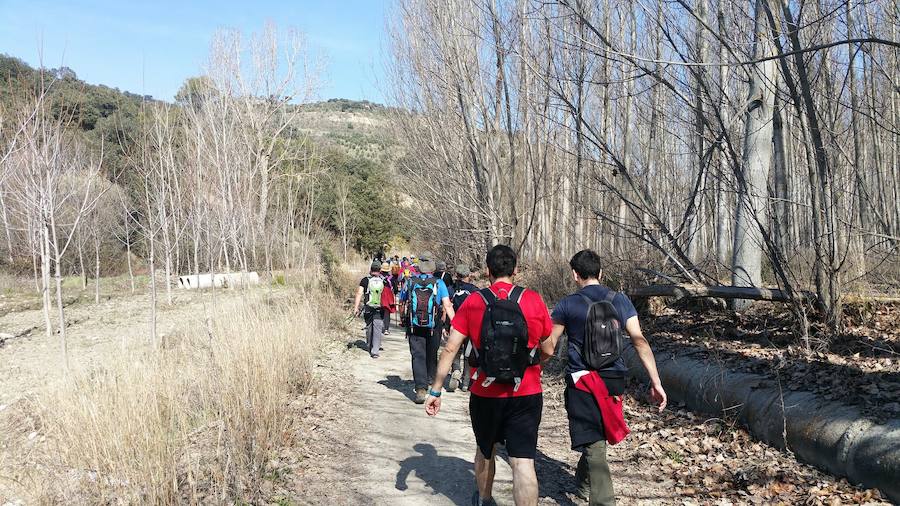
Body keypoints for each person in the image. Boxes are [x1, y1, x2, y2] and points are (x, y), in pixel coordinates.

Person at [425, 245, 554, 506]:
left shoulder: (475, 301)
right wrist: (530, 365)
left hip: (485, 392)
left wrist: (436, 389)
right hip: (526, 392)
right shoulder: (532, 299)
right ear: (516, 270)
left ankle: (484, 499)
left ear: (487, 271)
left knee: (485, 451)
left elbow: (450, 348)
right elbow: (549, 349)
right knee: (523, 461)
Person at [545, 249, 667, 505]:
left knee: (594, 441)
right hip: (614, 378)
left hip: (582, 380)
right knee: (596, 439)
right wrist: (656, 382)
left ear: (574, 274)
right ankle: (582, 485)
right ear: (601, 272)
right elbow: (639, 340)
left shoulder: (567, 304)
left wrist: (533, 365)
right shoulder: (620, 300)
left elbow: (550, 344)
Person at [401, 252, 456, 404]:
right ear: (432, 267)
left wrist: (403, 319)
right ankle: (431, 381)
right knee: (431, 354)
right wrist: (456, 324)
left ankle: (420, 388)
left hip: (414, 325)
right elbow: (447, 305)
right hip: (434, 325)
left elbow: (403, 300)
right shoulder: (439, 283)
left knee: (417, 355)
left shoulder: (410, 282)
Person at [447, 263, 479, 392]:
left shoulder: (451, 289)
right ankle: (466, 383)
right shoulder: (475, 290)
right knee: (468, 353)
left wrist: (446, 326)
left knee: (455, 350)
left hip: (455, 325)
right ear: (468, 275)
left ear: (457, 275)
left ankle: (456, 369)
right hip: (471, 326)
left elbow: (446, 307)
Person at [352, 261, 388, 358]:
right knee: (378, 328)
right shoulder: (384, 281)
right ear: (380, 270)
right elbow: (387, 295)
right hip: (380, 308)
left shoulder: (365, 280)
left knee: (369, 327)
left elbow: (359, 293)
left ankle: (369, 345)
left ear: (370, 269)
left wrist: (356, 308)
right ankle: (375, 351)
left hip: (368, 307)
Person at [381, 262, 396, 335]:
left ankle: (379, 327)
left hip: (380, 294)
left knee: (380, 311)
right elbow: (395, 289)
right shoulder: (391, 278)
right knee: (387, 312)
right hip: (389, 296)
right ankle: (386, 329)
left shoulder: (378, 277)